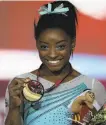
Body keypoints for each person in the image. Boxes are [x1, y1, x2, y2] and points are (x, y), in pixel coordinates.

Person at [4, 1, 106, 125]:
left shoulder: (93, 87)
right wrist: (14, 108)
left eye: (60, 46)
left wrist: (79, 117)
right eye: (44, 47)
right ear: (37, 44)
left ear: (72, 43)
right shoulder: (18, 85)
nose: (52, 54)